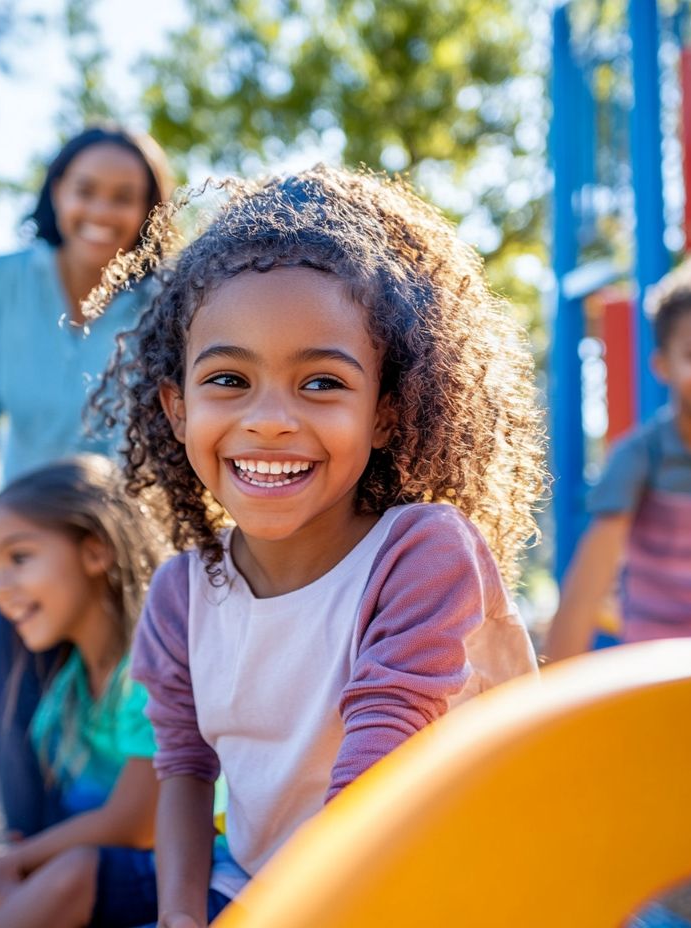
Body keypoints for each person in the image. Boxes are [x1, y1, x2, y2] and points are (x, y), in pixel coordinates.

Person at [87, 165, 546, 926]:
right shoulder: (183, 595)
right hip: (285, 890)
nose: (270, 420)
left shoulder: (422, 555)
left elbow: (373, 785)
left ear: (387, 413)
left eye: (323, 384)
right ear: (176, 407)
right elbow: (186, 771)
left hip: (461, 892)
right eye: (229, 379)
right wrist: (180, 918)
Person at [0, 124, 174, 840]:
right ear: (55, 195)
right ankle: (32, 871)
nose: (103, 209)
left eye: (126, 196)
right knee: (23, 751)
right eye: (86, 189)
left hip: (128, 563)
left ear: (149, 212)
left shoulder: (168, 299)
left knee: (132, 740)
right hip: (26, 553)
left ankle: (113, 874)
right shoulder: (3, 285)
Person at [0, 456, 169, 928]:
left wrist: (18, 862)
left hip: (172, 878)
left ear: (95, 551)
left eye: (19, 558)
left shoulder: (150, 672)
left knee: (70, 875)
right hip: (93, 883)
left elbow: (136, 821)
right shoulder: (67, 689)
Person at [543, 254, 691, 662]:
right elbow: (587, 586)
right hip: (660, 653)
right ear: (664, 365)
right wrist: (550, 696)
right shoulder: (639, 456)